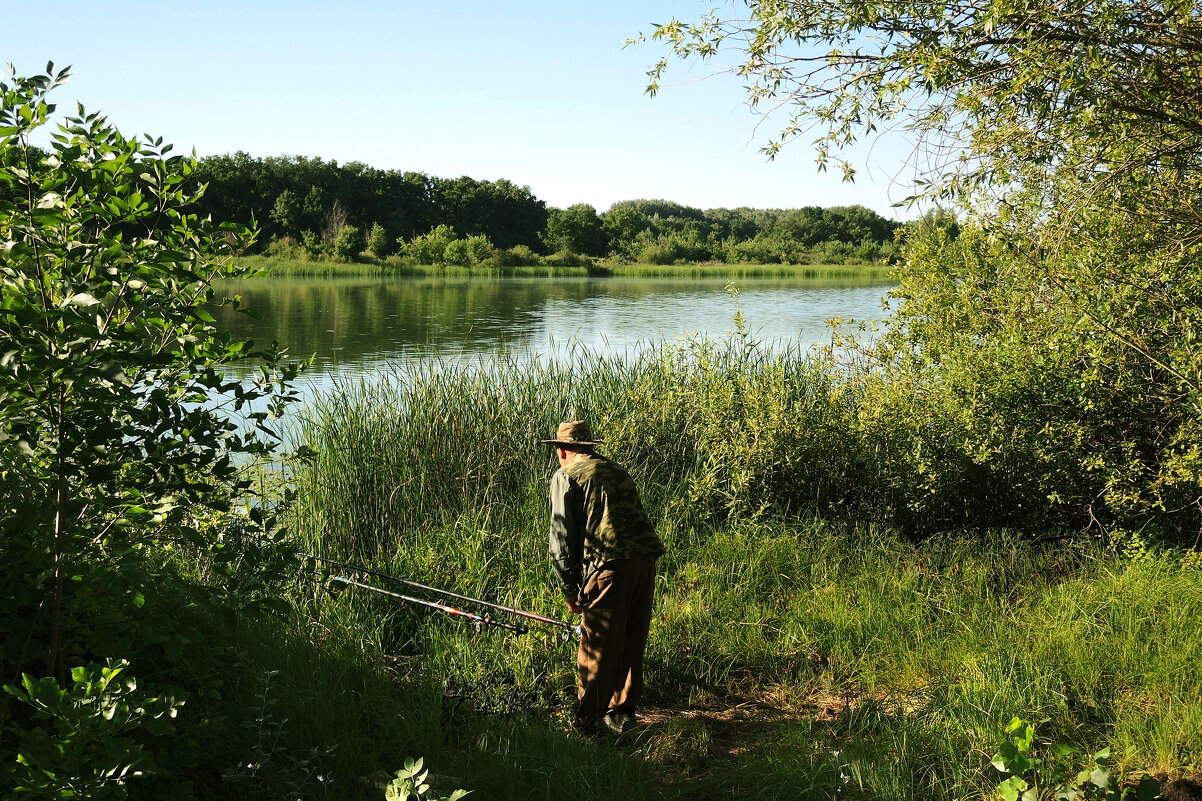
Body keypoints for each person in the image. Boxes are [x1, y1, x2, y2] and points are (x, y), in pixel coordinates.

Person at [542, 420, 665, 735]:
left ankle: (587, 724)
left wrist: (570, 589)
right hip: (644, 562)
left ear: (563, 449)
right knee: (630, 639)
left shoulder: (566, 476)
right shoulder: (615, 469)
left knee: (597, 644)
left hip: (609, 568)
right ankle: (622, 713)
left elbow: (561, 539)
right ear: (590, 447)